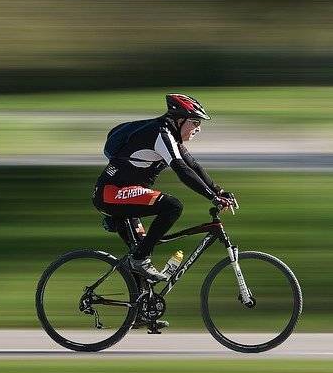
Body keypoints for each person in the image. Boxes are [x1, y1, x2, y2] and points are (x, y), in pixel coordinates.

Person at [94, 93, 237, 283]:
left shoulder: (170, 136)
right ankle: (139, 259)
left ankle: (141, 305)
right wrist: (212, 197)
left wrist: (218, 191)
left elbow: (193, 166)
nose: (198, 129)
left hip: (122, 194)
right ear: (179, 119)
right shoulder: (161, 134)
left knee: (142, 270)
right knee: (172, 206)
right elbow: (182, 170)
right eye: (195, 122)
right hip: (111, 194)